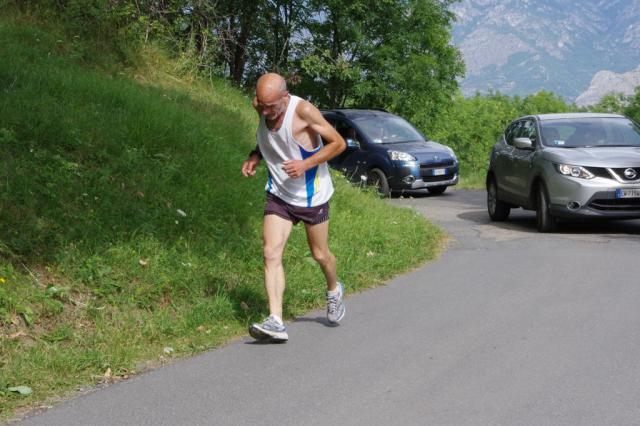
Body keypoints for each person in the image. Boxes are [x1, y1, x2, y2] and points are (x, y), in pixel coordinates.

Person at [241, 72, 347, 342]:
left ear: (285, 98)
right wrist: (255, 155)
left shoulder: (303, 111)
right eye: (260, 104)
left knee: (320, 255)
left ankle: (334, 289)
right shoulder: (262, 106)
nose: (264, 110)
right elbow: (269, 139)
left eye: (270, 106)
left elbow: (339, 143)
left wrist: (306, 164)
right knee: (270, 252)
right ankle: (275, 320)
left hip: (312, 196)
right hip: (279, 194)